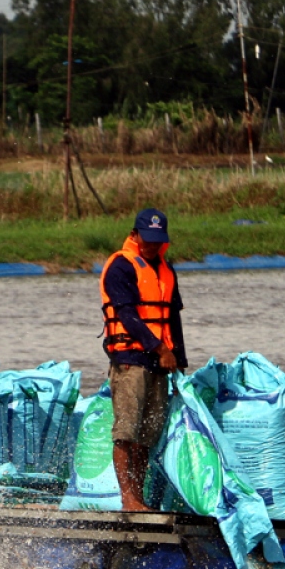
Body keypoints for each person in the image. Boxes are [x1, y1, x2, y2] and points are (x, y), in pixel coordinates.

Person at [99, 207, 188, 512]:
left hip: (159, 363)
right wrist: (159, 349)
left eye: (157, 240)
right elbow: (128, 316)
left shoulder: (166, 268)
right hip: (130, 360)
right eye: (146, 239)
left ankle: (139, 497)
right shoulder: (120, 267)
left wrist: (178, 357)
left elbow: (171, 317)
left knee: (147, 435)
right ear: (135, 234)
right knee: (127, 431)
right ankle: (128, 500)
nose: (151, 245)